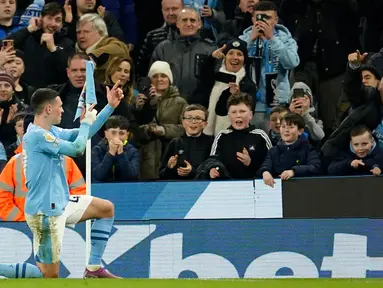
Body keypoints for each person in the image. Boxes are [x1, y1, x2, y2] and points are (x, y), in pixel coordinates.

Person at [22, 82, 124, 278]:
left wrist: (109, 107)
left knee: (105, 209)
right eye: (60, 106)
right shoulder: (36, 136)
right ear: (48, 108)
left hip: (60, 201)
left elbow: (83, 135)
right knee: (48, 277)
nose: (62, 110)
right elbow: (77, 149)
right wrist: (85, 122)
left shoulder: (51, 131)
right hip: (45, 211)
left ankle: (93, 268)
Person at [208, 92, 272, 180]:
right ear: (229, 115)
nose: (238, 115)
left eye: (242, 111)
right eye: (234, 112)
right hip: (226, 187)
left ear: (250, 115)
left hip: (255, 185)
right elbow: (212, 160)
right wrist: (212, 169)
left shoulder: (260, 135)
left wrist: (250, 163)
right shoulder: (222, 135)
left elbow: (271, 162)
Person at [258, 112, 321, 188]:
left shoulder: (308, 149)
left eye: (291, 127)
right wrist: (265, 172)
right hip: (278, 190)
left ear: (300, 131)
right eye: (283, 126)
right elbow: (266, 165)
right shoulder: (273, 151)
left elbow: (315, 167)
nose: (286, 130)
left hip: (303, 188)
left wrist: (294, 171)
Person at [159, 104, 213, 180]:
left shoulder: (211, 143)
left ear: (205, 124)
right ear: (183, 123)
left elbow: (214, 172)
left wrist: (193, 172)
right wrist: (169, 168)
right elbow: (161, 175)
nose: (193, 122)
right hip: (177, 188)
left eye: (198, 118)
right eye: (189, 118)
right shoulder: (174, 143)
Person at [92, 115, 140, 182]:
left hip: (125, 190)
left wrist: (121, 154)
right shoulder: (97, 150)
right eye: (113, 133)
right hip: (102, 190)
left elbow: (131, 177)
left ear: (127, 135)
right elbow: (98, 176)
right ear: (106, 134)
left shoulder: (133, 152)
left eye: (121, 133)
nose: (117, 137)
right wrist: (110, 154)